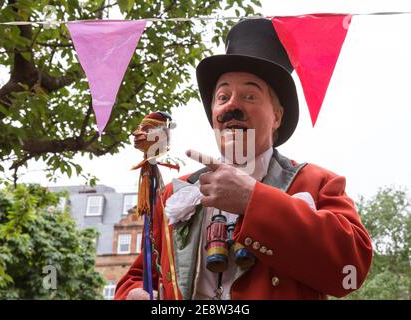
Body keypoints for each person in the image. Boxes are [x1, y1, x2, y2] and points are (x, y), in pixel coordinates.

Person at [115, 18, 372, 300]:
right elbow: (139, 275)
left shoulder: (317, 183)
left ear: (277, 116)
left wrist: (253, 200)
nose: (232, 106)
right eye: (223, 96)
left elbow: (351, 271)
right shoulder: (174, 193)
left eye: (250, 95)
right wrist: (133, 294)